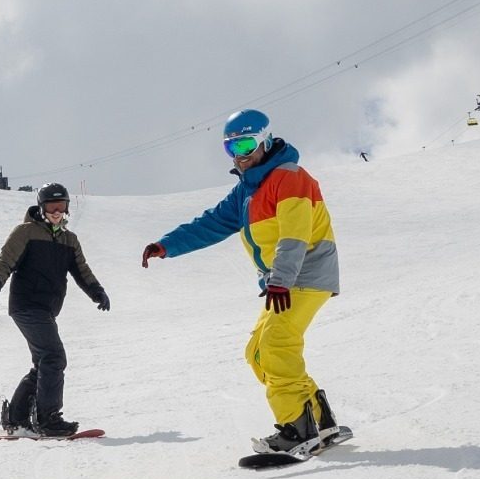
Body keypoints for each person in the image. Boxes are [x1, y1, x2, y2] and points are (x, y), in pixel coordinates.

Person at [141, 110, 342, 452]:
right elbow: (211, 223)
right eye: (231, 148)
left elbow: (294, 234)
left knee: (276, 346)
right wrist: (166, 245)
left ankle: (298, 429)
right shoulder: (246, 191)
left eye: (246, 145)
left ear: (265, 140)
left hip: (304, 274)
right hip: (283, 282)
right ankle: (319, 421)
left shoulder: (290, 177)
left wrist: (280, 280)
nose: (239, 155)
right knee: (258, 353)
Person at [0, 182, 109, 438]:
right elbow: (4, 264)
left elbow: (82, 270)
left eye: (61, 206)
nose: (57, 212)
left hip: (47, 310)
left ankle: (16, 419)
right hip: (27, 305)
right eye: (51, 207)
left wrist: (98, 291)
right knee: (54, 357)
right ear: (41, 208)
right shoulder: (25, 233)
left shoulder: (69, 240)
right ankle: (48, 419)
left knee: (43, 363)